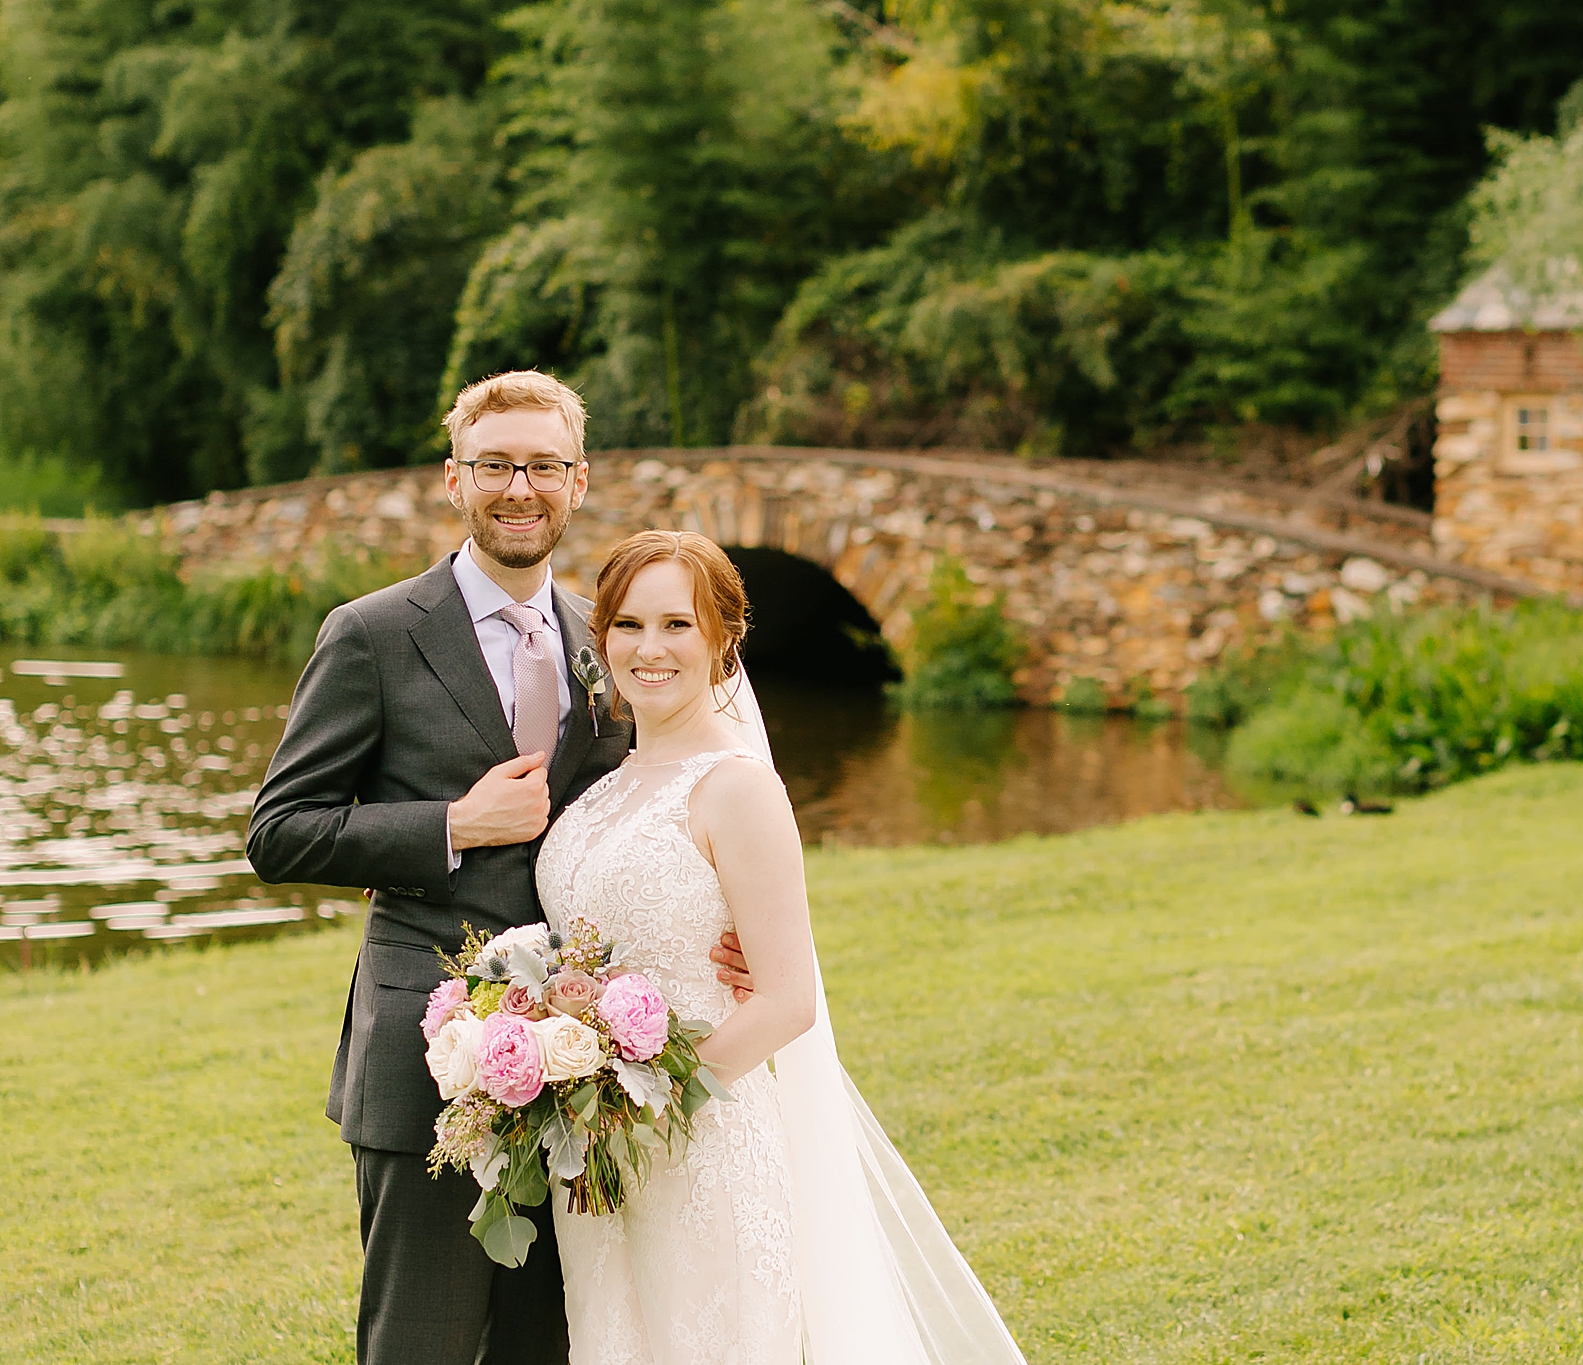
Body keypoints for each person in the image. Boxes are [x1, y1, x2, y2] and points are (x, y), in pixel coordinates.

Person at [246, 372, 754, 1365]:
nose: (519, 488)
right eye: (495, 466)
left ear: (577, 480)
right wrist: (449, 825)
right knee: (420, 1344)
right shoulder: (374, 634)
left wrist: (716, 928)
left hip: (583, 1069)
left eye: (542, 466)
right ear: (454, 480)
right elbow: (281, 829)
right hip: (426, 1059)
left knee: (554, 1345)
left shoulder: (600, 639)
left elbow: (658, 802)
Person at [539, 530, 1029, 1365]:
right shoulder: (600, 791)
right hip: (595, 1159)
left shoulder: (738, 787)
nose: (648, 649)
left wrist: (642, 1110)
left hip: (696, 1143)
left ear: (722, 639)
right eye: (626, 625)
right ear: (602, 640)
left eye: (676, 625)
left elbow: (788, 998)